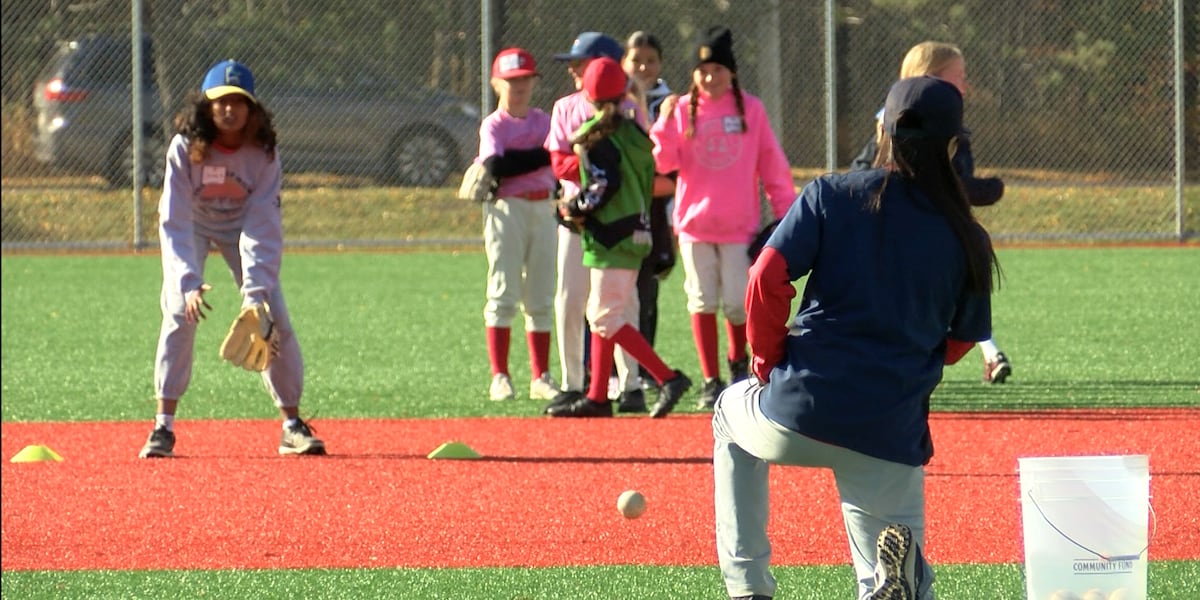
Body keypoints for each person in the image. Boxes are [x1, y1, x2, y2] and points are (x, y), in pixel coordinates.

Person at [712, 76, 999, 600]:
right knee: (889, 576)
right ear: (954, 145)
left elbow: (765, 276)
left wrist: (767, 357)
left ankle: (749, 587)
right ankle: (893, 583)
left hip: (799, 407)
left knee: (729, 414)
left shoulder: (833, 193)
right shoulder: (968, 236)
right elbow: (958, 346)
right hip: (889, 428)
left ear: (883, 131)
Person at [139, 59, 324, 458]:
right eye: (220, 101)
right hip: (194, 226)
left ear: (252, 109)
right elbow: (174, 220)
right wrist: (188, 282)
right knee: (178, 313)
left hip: (242, 226)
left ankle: (292, 425)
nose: (229, 108)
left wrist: (255, 295)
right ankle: (162, 427)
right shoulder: (185, 148)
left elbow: (263, 224)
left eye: (238, 101)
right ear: (205, 106)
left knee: (274, 319)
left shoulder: (263, 154)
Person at [848, 41, 1012, 384]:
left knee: (960, 288)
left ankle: (988, 351)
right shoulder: (894, 125)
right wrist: (984, 189)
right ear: (929, 79)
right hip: (911, 232)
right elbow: (867, 171)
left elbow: (954, 185)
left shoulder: (952, 125)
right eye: (959, 77)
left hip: (940, 226)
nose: (966, 85)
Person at [649, 26, 795, 411]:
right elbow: (664, 164)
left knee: (735, 304)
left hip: (738, 228)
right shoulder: (682, 110)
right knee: (701, 301)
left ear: (731, 71)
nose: (709, 77)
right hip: (695, 226)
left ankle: (737, 367)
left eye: (716, 69)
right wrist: (663, 123)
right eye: (702, 70)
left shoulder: (751, 109)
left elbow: (773, 168)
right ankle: (711, 380)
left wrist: (785, 217)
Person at [545, 57, 692, 419]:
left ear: (588, 95)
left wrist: (574, 207)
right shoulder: (635, 134)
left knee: (605, 317)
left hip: (611, 235)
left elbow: (601, 186)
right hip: (636, 230)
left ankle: (667, 377)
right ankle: (597, 397)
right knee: (602, 312)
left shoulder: (597, 136)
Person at [542, 31, 646, 414]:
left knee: (620, 303)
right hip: (577, 216)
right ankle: (573, 383)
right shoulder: (565, 107)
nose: (572, 68)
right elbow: (559, 163)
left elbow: (639, 160)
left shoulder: (629, 110)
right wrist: (596, 170)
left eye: (580, 61)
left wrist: (590, 166)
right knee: (570, 298)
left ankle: (631, 383)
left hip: (617, 218)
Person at [473, 47, 560, 402]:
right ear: (496, 84)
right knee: (503, 291)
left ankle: (540, 375)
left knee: (540, 295)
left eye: (524, 79)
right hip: (506, 210)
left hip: (543, 210)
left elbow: (556, 156)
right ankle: (500, 375)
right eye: (511, 81)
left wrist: (523, 158)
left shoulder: (543, 120)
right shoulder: (494, 124)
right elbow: (497, 167)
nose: (519, 86)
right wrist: (542, 155)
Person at [622, 30, 678, 402]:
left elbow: (668, 166)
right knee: (610, 295)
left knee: (647, 292)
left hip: (658, 209)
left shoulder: (672, 103)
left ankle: (644, 370)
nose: (643, 67)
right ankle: (609, 373)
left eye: (650, 60)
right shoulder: (613, 100)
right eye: (636, 60)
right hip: (620, 206)